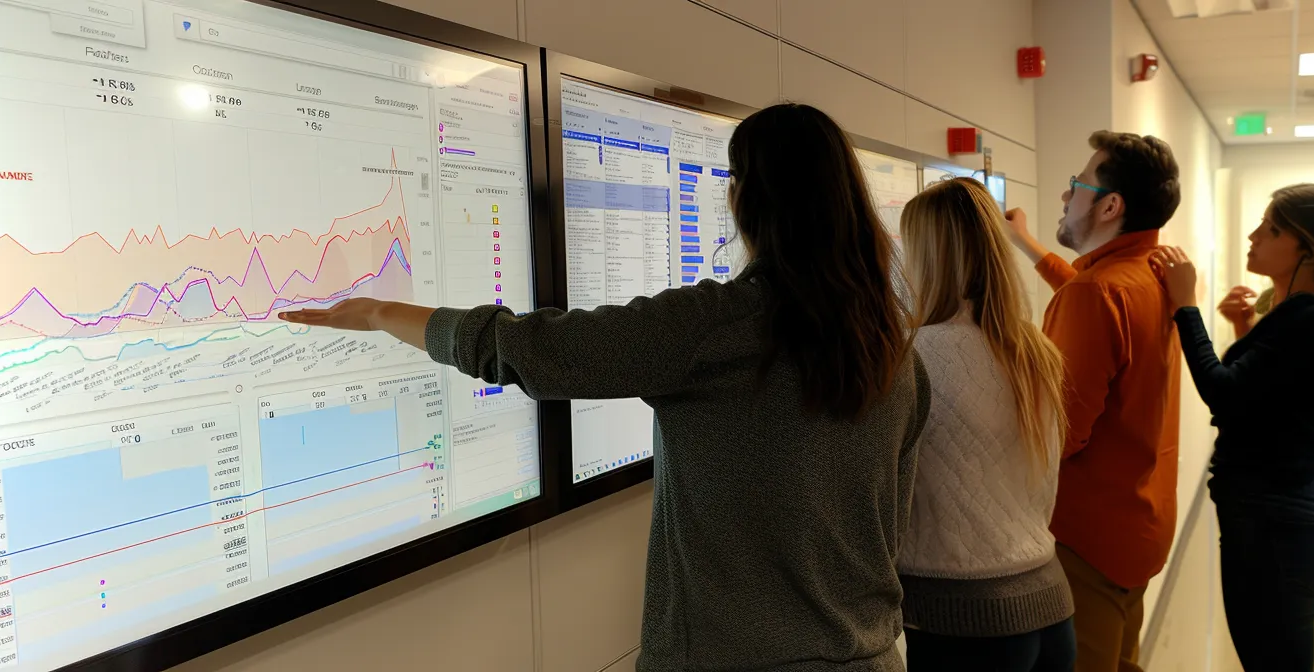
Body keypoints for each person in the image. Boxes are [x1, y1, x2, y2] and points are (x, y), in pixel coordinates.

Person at [280, 103, 932, 670]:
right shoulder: (896, 355)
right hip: (870, 657)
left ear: (745, 200)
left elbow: (531, 349)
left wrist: (377, 312)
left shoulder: (715, 328)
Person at [1149, 183, 1314, 672]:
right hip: (1285, 525)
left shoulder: (1313, 315)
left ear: (1308, 249)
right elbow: (1268, 400)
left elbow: (1225, 392)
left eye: (1271, 228)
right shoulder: (1305, 313)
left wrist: (1184, 306)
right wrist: (1242, 331)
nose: (1254, 236)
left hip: (1277, 534)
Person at [999, 131, 1182, 672]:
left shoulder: (1097, 293)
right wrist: (1028, 244)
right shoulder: (1156, 272)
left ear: (1109, 205)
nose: (1063, 196)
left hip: (1087, 544)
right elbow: (1092, 291)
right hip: (1139, 526)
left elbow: (1059, 433)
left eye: (1075, 185)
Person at [895, 177, 1076, 671]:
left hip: (964, 622)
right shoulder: (1034, 351)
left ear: (927, 258)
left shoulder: (910, 358)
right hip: (1049, 603)